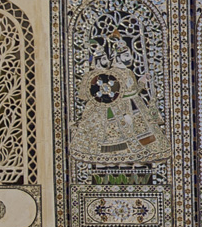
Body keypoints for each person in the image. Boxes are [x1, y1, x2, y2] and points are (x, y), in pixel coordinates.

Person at [71, 36, 168, 164]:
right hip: (121, 110)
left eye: (130, 55)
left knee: (145, 136)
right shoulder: (112, 74)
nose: (130, 58)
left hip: (136, 106)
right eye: (127, 55)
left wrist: (142, 82)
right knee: (124, 139)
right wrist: (123, 115)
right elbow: (112, 97)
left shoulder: (129, 72)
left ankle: (143, 159)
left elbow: (133, 90)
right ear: (117, 56)